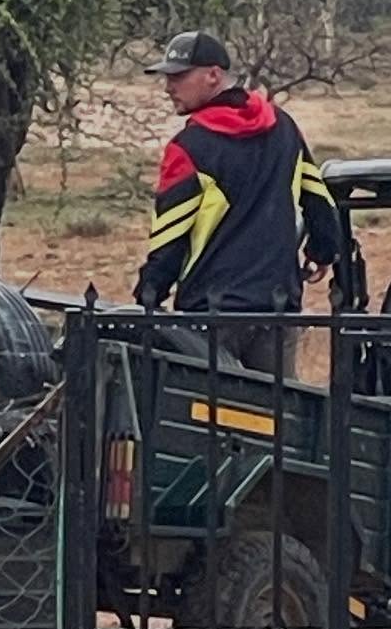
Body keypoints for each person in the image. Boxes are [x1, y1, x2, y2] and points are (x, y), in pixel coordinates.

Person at [134, 30, 340, 374]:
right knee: (279, 404)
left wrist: (148, 297)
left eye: (178, 77)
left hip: (211, 312)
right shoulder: (283, 127)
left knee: (209, 404)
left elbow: (170, 238)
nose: (168, 87)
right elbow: (318, 198)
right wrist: (323, 251)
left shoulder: (188, 147)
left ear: (213, 75)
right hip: (277, 305)